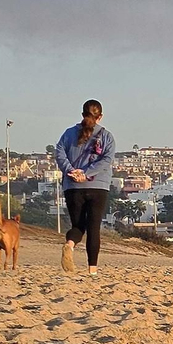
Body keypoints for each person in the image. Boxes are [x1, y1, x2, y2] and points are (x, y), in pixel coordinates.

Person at [54, 100, 115, 276]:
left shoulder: (68, 133)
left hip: (73, 186)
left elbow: (59, 153)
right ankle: (92, 270)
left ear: (82, 115)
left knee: (78, 226)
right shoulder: (106, 136)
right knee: (93, 228)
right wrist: (87, 173)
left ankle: (70, 245)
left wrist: (71, 171)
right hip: (98, 186)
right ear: (100, 117)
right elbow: (106, 160)